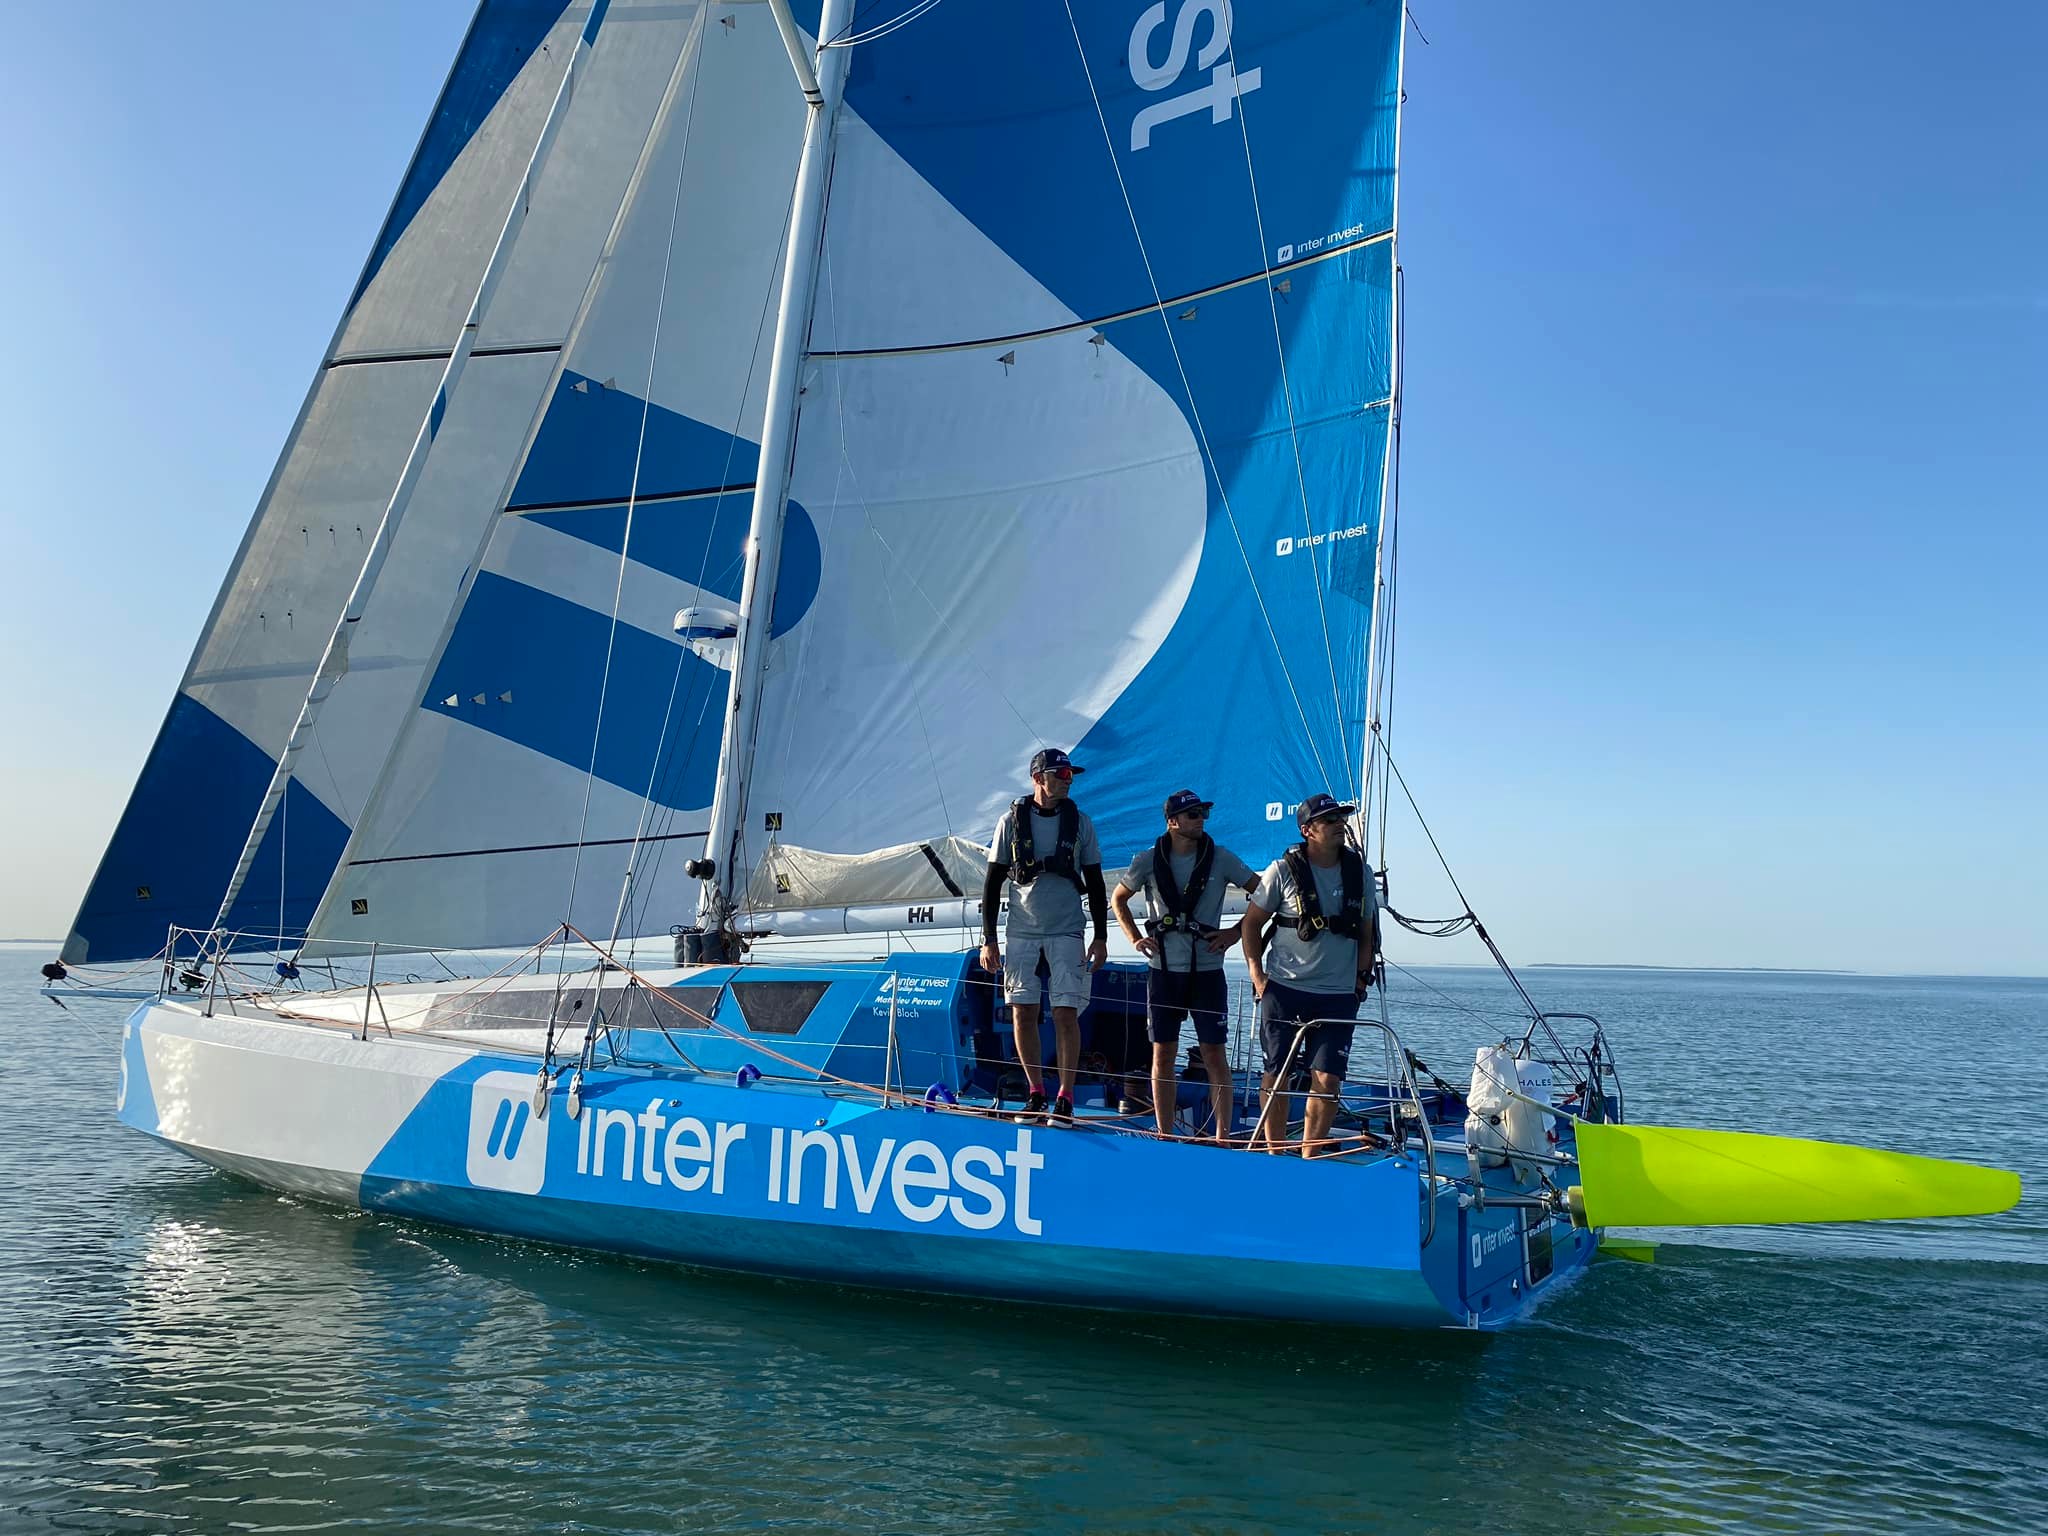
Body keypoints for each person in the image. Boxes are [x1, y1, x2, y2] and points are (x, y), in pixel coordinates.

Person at [1112, 789, 1258, 1140]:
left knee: (1214, 1055)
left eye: (1203, 813)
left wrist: (1236, 933)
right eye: (1193, 815)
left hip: (1207, 971)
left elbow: (1263, 893)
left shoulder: (1221, 858)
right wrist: (1134, 938)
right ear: (1172, 821)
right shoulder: (1147, 860)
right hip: (1163, 971)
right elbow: (1119, 898)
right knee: (1162, 1054)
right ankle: (1164, 1133)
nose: (1201, 820)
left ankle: (1222, 1135)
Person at [1239, 793, 1380, 1156]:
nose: (1340, 825)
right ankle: (1275, 1151)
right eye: (1330, 820)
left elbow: (1366, 931)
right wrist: (1257, 975)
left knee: (1328, 1079)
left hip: (1337, 993)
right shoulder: (1281, 871)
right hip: (1284, 988)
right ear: (1307, 830)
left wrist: (1360, 982)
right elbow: (1251, 925)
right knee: (1277, 1074)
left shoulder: (1359, 873)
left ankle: (1310, 1154)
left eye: (1341, 818)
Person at [979, 748, 1108, 1122]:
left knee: (1066, 1013)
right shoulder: (1010, 822)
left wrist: (1100, 937)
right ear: (1039, 778)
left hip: (1067, 930)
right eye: (1061, 774)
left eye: (1071, 774)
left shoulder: (1081, 822)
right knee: (1023, 1011)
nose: (1069, 780)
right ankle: (1036, 1092)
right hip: (1021, 930)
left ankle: (1065, 1097)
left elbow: (1096, 884)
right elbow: (991, 885)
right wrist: (989, 939)